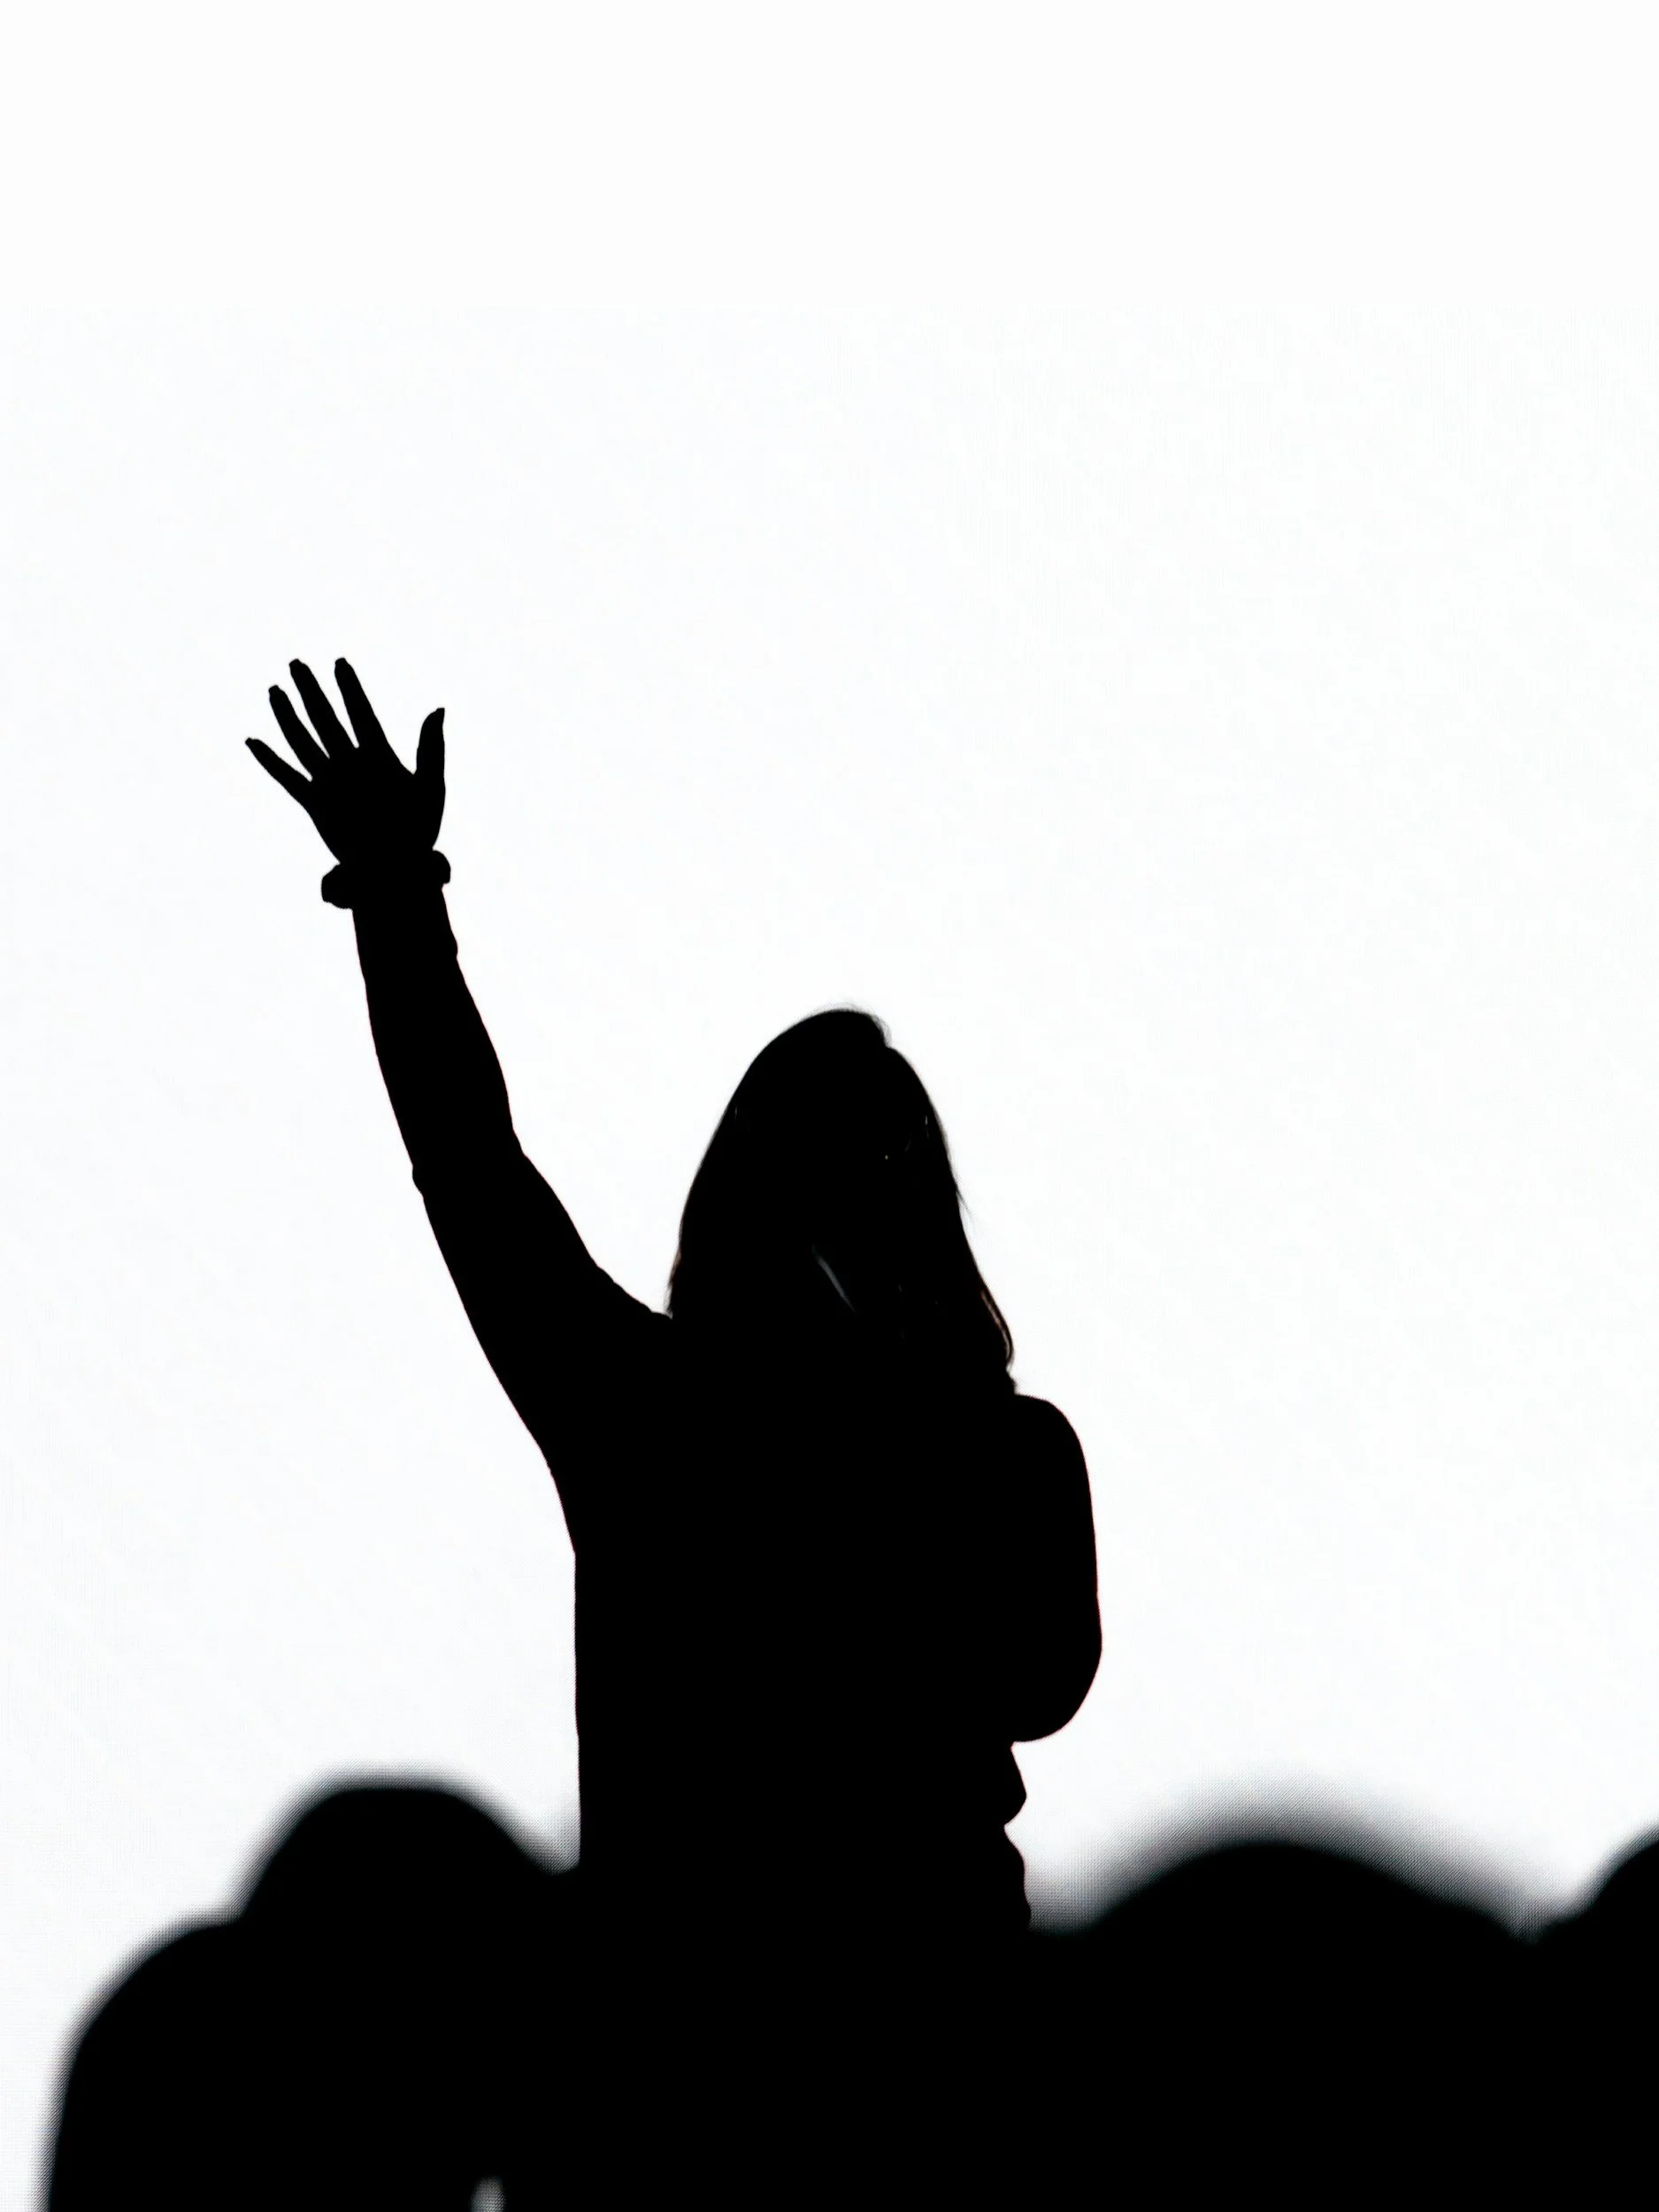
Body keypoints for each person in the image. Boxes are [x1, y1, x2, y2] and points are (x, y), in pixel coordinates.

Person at [248, 658, 1101, 2174]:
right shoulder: (653, 1410)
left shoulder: (988, 1457)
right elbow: (473, 1163)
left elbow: (1040, 1675)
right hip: (720, 2106)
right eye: (842, 1174)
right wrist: (393, 893)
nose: (867, 1210)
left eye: (889, 1179)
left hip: (906, 2090)